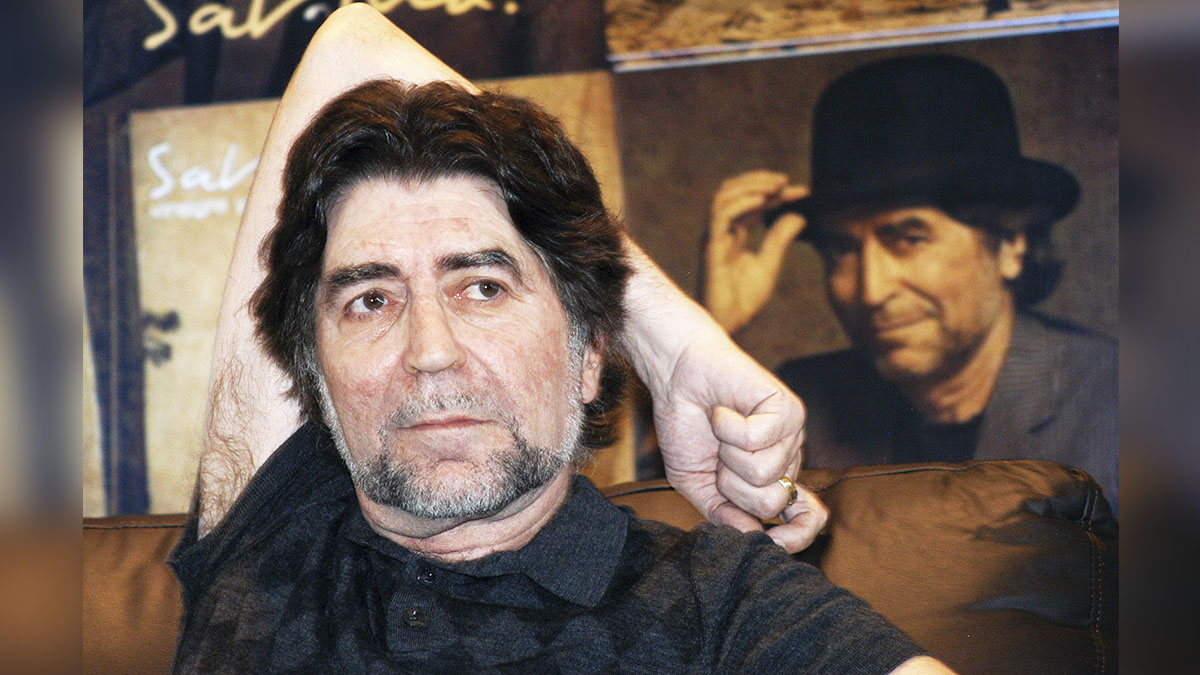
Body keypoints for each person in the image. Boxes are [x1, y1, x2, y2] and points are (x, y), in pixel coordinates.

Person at [168, 47, 954, 675]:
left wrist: (655, 337)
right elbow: (346, 41)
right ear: (313, 375)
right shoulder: (269, 525)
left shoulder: (722, 600)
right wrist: (674, 343)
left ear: (588, 353)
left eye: (483, 286)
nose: (430, 351)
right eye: (371, 300)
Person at [705, 54, 1118, 511]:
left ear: (1009, 245)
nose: (872, 291)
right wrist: (707, 335)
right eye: (843, 248)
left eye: (909, 238)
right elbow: (669, 532)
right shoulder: (801, 403)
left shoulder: (1124, 401)